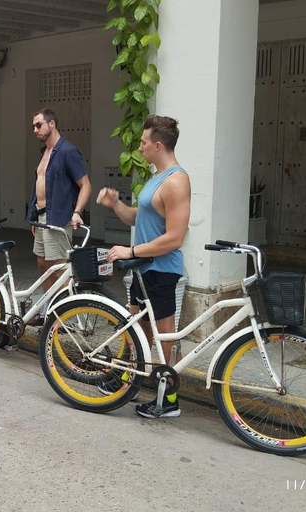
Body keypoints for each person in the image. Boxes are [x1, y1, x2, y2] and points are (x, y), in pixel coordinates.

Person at [97, 114, 191, 419]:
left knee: (165, 340)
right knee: (136, 330)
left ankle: (170, 400)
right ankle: (127, 381)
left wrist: (131, 249)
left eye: (143, 142)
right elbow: (139, 217)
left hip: (162, 270)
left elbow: (174, 238)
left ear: (158, 145)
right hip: (143, 268)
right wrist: (116, 205)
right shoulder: (155, 178)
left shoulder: (176, 182)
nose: (139, 146)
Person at [26, 108, 91, 321]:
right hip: (42, 217)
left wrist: (77, 212)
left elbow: (86, 185)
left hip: (58, 218)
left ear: (51, 124)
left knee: (59, 268)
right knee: (43, 265)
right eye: (33, 126)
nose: (35, 129)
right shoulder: (44, 153)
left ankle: (65, 318)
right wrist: (34, 216)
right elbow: (40, 186)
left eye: (38, 125)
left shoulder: (67, 151)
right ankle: (48, 310)